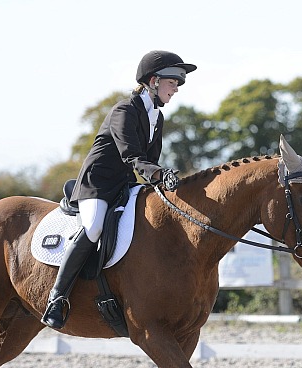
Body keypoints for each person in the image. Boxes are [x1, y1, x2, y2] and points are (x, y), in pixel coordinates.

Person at [41, 50, 197, 329]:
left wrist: (163, 179)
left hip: (126, 185)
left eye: (178, 84)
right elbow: (132, 156)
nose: (176, 89)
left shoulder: (156, 119)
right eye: (173, 82)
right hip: (97, 185)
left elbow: (151, 161)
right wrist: (158, 174)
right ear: (153, 80)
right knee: (93, 228)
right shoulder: (123, 111)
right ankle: (57, 297)